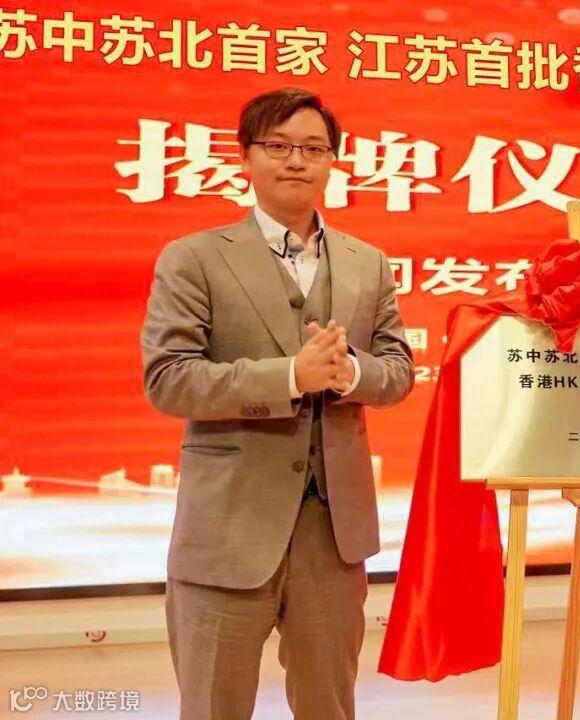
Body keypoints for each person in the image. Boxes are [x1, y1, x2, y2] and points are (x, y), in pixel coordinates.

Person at [140, 87, 414, 720]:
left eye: (313, 148)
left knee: (329, 706)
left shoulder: (368, 263)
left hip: (333, 535)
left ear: (333, 161)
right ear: (245, 157)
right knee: (213, 708)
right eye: (278, 145)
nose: (296, 160)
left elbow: (398, 372)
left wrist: (350, 373)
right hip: (228, 530)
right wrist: (290, 375)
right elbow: (169, 379)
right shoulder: (194, 258)